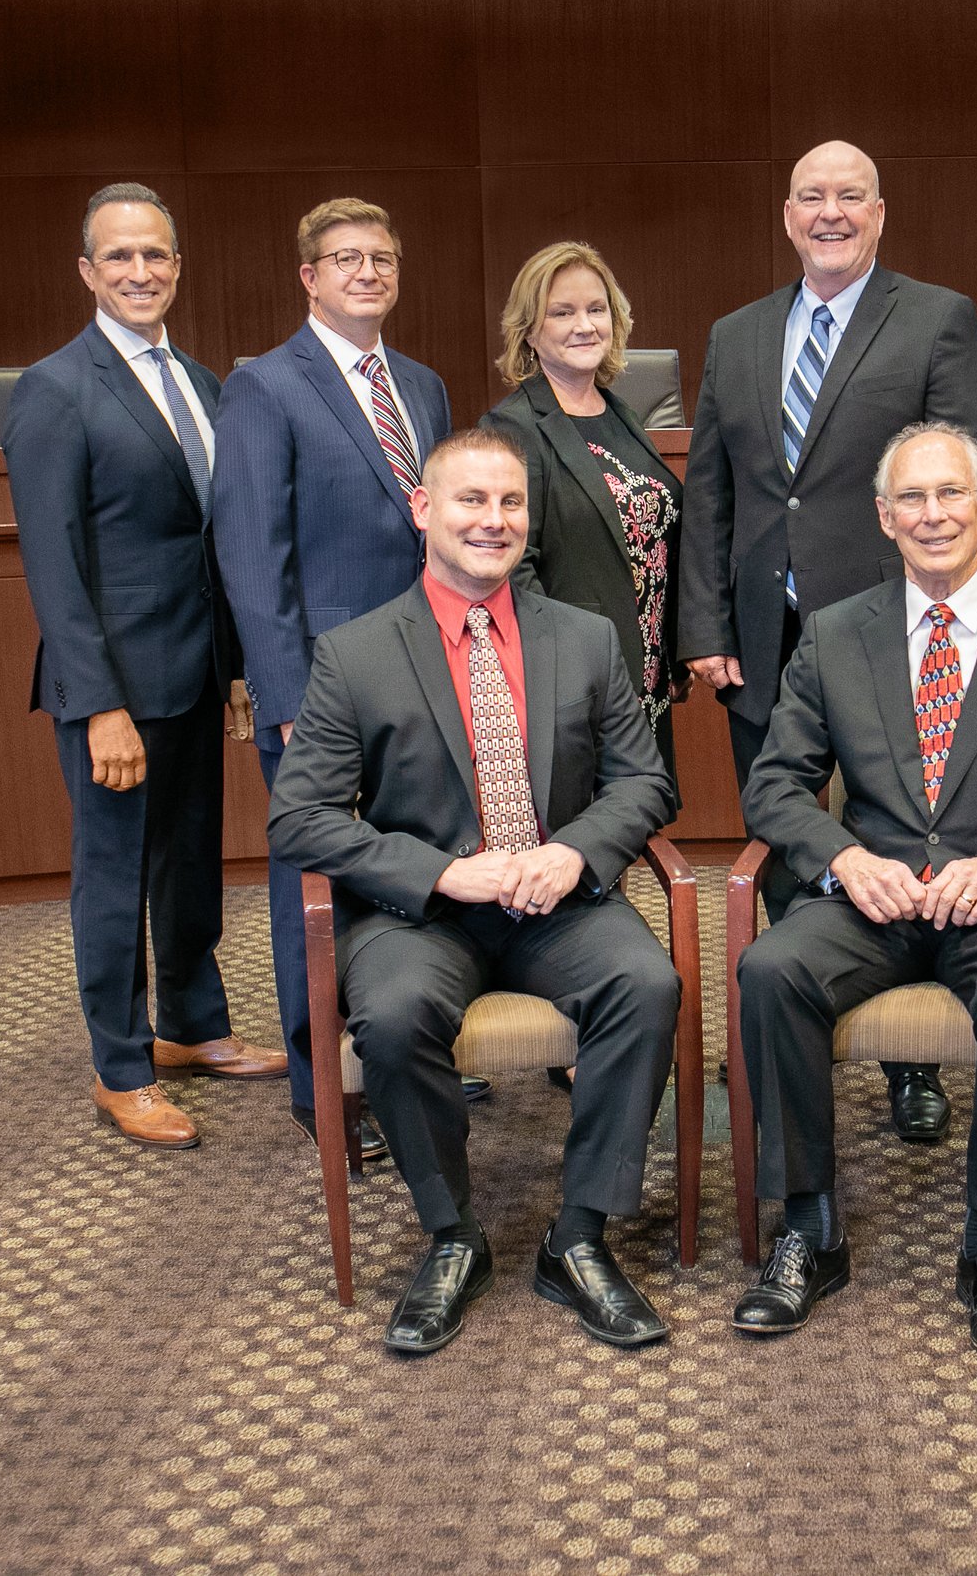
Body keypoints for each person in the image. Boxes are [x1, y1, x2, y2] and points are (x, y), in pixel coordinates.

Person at [271, 427, 682, 1356]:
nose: (491, 521)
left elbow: (645, 782)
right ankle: (453, 1235)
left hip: (558, 900)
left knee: (647, 985)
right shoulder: (355, 653)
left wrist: (575, 852)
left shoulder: (584, 637)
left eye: (509, 504)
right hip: (425, 913)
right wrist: (442, 872)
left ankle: (577, 1235)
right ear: (424, 509)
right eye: (470, 500)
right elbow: (301, 820)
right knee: (395, 1011)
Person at [729, 422, 977, 1360]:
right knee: (770, 966)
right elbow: (775, 784)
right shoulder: (833, 634)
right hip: (872, 897)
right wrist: (842, 859)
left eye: (952, 493)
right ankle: (809, 1226)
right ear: (884, 516)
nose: (933, 513)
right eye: (912, 498)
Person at [675, 139, 977, 1145]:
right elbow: (713, 490)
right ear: (786, 215)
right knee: (782, 836)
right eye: (812, 197)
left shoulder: (936, 317)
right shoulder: (736, 334)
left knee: (902, 833)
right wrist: (707, 623)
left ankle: (914, 1064)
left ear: (879, 211)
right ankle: (793, 1022)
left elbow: (958, 478)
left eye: (849, 197)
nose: (830, 212)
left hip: (894, 634)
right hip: (761, 637)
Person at [4, 182, 287, 1150]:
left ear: (177, 266)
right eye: (119, 257)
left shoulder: (206, 383)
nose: (139, 272)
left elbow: (221, 542)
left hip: (197, 673)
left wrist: (239, 666)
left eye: (155, 255)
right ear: (87, 271)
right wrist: (97, 707)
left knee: (190, 863)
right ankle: (119, 1064)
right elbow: (55, 563)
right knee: (115, 873)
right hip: (117, 687)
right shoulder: (54, 388)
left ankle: (192, 1025)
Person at [213, 196, 466, 1162]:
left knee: (422, 858)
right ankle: (327, 1090)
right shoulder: (264, 388)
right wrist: (280, 697)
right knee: (315, 886)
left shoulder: (425, 386)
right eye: (346, 258)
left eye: (383, 258)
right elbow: (250, 555)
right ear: (309, 277)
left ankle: (417, 1047)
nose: (368, 272)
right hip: (320, 688)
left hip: (426, 677)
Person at [484, 241, 685, 778]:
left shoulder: (620, 413)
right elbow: (510, 566)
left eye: (597, 310)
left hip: (642, 668)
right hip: (571, 683)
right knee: (584, 837)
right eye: (563, 312)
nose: (585, 325)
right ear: (529, 329)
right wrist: (567, 668)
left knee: (630, 821)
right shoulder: (513, 428)